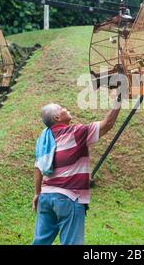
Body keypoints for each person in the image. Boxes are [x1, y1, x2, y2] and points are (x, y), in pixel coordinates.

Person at [32, 90, 122, 245]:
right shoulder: (75, 132)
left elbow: (38, 167)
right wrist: (118, 100)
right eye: (61, 108)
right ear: (57, 118)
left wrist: (37, 193)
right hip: (68, 198)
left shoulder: (44, 138)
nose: (66, 108)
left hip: (46, 198)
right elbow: (107, 124)